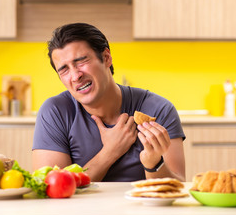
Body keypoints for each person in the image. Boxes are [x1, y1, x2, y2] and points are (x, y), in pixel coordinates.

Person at [32, 23, 186, 182]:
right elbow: (52, 188)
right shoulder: (55, 112)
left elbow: (178, 186)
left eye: (81, 61)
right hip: (80, 208)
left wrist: (153, 163)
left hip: (140, 207)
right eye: (64, 69)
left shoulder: (158, 109)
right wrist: (110, 151)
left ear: (106, 58)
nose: (75, 76)